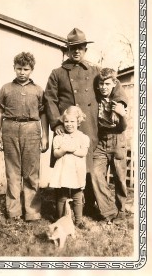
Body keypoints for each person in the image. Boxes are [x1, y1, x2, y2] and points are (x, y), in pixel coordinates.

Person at [44, 28, 100, 217]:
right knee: (65, 164)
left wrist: (122, 103)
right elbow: (49, 99)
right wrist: (56, 124)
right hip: (66, 127)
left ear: (86, 49)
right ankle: (61, 207)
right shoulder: (57, 73)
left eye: (81, 47)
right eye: (73, 48)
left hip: (88, 125)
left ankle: (88, 206)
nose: (77, 51)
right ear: (68, 49)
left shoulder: (94, 71)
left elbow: (110, 85)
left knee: (88, 165)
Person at [0, 52, 49, 222]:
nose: (22, 72)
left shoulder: (38, 90)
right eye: (19, 68)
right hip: (10, 128)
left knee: (31, 172)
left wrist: (45, 136)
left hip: (32, 129)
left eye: (26, 69)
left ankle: (32, 212)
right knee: (12, 172)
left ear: (31, 69)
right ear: (14, 68)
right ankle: (14, 211)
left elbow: (43, 114)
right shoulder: (6, 88)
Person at [92, 67, 128, 224]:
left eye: (107, 84)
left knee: (119, 177)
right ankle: (108, 210)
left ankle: (121, 210)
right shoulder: (97, 97)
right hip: (101, 140)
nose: (103, 87)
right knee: (95, 173)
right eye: (101, 84)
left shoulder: (119, 101)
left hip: (117, 138)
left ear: (114, 83)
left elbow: (123, 127)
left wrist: (122, 113)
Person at [49, 106, 90, 228]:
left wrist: (72, 150)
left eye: (72, 121)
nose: (69, 124)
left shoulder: (83, 137)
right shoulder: (59, 137)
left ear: (78, 122)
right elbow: (56, 153)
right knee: (62, 196)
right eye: (66, 121)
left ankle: (78, 221)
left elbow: (83, 153)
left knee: (77, 196)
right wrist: (63, 150)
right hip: (63, 171)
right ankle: (60, 219)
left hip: (77, 171)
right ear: (63, 122)